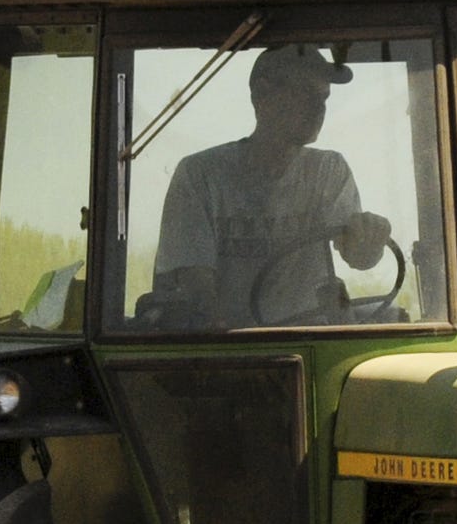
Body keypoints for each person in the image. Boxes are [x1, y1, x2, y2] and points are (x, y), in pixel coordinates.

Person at [146, 43, 391, 328]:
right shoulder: (201, 175)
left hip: (314, 338)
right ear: (262, 95)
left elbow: (357, 255)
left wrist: (371, 238)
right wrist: (237, 342)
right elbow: (196, 288)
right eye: (306, 94)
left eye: (324, 98)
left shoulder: (328, 170)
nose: (319, 109)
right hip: (233, 342)